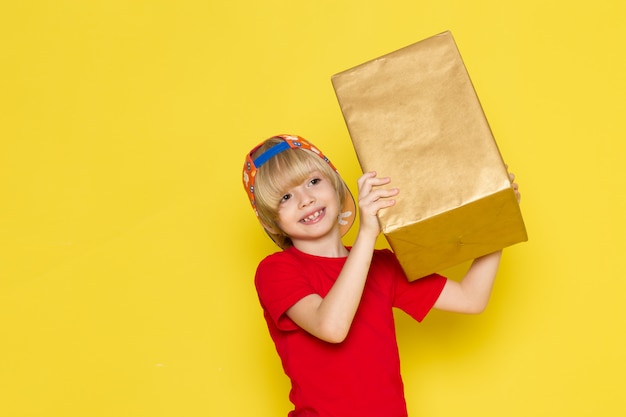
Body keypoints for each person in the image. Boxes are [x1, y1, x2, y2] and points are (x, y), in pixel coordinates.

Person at [242, 134, 521, 417]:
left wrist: (497, 220)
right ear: (271, 221)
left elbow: (470, 298)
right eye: (285, 197)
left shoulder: (381, 265)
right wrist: (367, 233)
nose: (306, 199)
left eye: (313, 181)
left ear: (336, 185)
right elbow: (332, 327)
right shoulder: (276, 270)